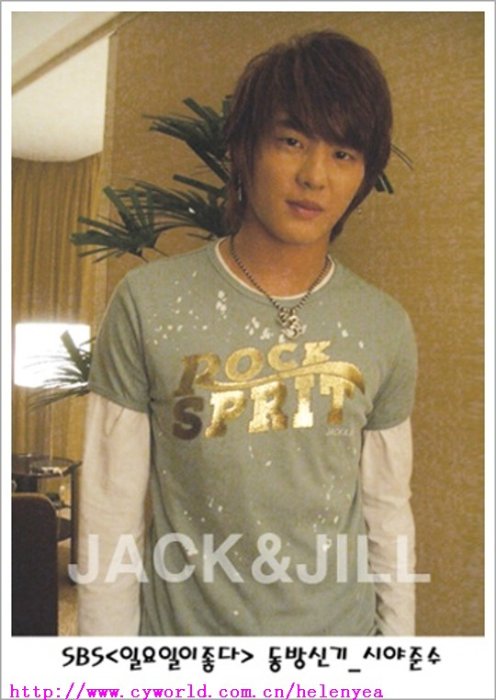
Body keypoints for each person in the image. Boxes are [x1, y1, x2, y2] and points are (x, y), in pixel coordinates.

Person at [77, 29, 417, 636]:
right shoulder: (147, 303)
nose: (314, 175)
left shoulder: (384, 324)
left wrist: (399, 658)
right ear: (245, 147)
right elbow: (109, 513)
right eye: (292, 141)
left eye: (343, 154)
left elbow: (387, 514)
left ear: (364, 174)